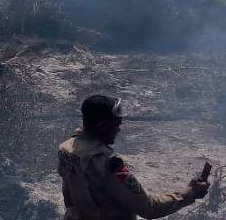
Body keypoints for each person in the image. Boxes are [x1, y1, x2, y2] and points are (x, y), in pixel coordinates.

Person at [57, 94, 210, 220]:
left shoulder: (67, 148)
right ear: (102, 126)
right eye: (116, 124)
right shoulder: (110, 163)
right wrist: (191, 192)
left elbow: (68, 196)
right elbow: (150, 208)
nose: (118, 130)